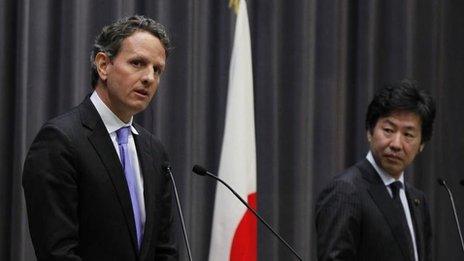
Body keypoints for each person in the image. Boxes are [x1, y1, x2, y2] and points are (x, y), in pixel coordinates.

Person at [22, 15, 177, 260]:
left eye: (157, 70)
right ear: (103, 65)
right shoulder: (60, 140)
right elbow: (57, 252)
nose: (149, 77)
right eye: (138, 63)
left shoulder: (154, 151)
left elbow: (164, 250)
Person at [315, 79, 436, 261]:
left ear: (422, 145)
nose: (396, 144)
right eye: (388, 130)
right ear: (370, 132)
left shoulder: (418, 200)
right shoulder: (346, 191)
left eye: (408, 135)